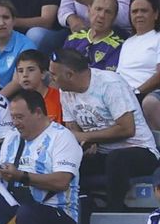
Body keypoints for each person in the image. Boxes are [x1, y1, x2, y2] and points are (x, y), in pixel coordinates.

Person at [0, 90, 83, 224]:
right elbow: (6, 175)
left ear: (38, 113)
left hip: (57, 212)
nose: (15, 123)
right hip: (16, 206)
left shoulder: (62, 137)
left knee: (26, 215)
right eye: (12, 117)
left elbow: (62, 182)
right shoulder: (12, 137)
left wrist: (22, 176)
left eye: (20, 117)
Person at [52, 48, 158, 212]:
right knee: (66, 162)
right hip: (102, 152)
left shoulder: (109, 84)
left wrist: (88, 137)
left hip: (140, 150)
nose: (51, 79)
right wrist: (86, 144)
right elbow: (73, 130)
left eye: (54, 74)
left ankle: (114, 212)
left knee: (116, 159)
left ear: (69, 75)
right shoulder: (65, 91)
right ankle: (79, 208)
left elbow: (127, 129)